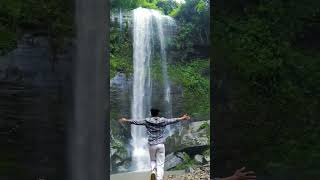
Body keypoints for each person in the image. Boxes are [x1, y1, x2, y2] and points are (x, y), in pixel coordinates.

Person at [118, 108, 191, 180]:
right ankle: (159, 178)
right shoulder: (163, 120)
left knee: (153, 160)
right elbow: (173, 120)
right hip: (161, 145)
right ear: (158, 113)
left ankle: (153, 171)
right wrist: (182, 118)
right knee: (160, 164)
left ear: (151, 114)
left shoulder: (147, 121)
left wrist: (126, 120)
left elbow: (136, 122)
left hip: (152, 145)